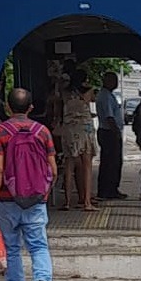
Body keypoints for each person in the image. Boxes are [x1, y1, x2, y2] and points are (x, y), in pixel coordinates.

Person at [0, 88, 55, 281]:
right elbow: (52, 168)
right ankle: (41, 279)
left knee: (12, 249)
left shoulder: (1, 132)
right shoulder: (43, 132)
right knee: (38, 245)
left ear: (7, 107)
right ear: (31, 108)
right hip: (35, 199)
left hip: (7, 200)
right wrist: (44, 192)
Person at [60, 70, 98, 211]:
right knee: (87, 165)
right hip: (85, 129)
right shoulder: (88, 91)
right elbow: (91, 100)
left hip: (69, 129)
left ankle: (67, 202)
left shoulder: (65, 92)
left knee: (69, 165)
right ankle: (87, 202)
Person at [95, 72, 126, 200]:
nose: (116, 83)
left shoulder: (107, 95)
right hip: (109, 132)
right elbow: (109, 117)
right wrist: (116, 132)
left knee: (111, 162)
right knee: (111, 162)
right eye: (114, 80)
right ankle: (108, 190)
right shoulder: (106, 96)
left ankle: (110, 189)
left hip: (107, 132)